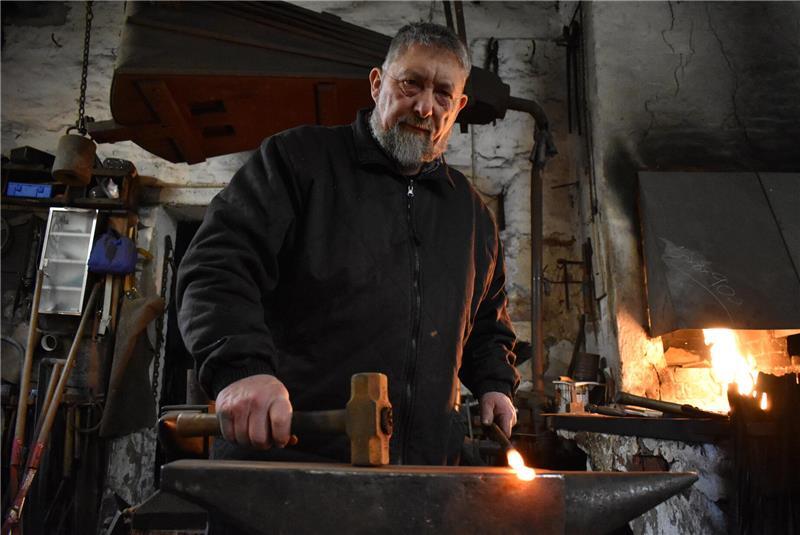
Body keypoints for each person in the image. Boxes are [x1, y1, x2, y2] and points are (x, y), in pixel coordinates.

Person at [177, 22, 520, 467]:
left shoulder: (470, 213)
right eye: (410, 83)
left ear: (458, 106)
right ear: (378, 84)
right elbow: (217, 266)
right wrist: (243, 371)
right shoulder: (298, 161)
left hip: (420, 471)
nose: (423, 106)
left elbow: (488, 321)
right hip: (290, 460)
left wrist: (495, 383)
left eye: (442, 94)